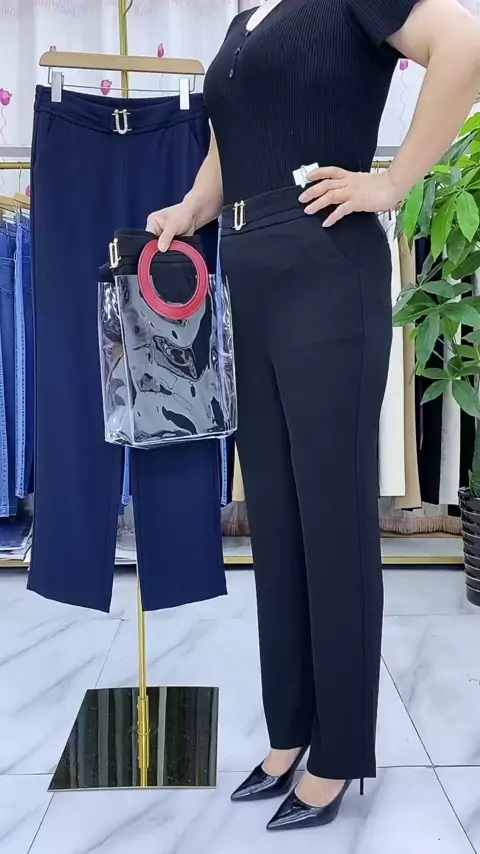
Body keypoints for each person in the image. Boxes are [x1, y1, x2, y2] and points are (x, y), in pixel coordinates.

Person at [147, 0, 480, 833]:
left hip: (326, 265)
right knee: (277, 519)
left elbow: (466, 42)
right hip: (250, 274)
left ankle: (340, 753)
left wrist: (392, 182)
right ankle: (291, 731)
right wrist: (190, 209)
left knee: (331, 519)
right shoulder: (243, 21)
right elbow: (232, 142)